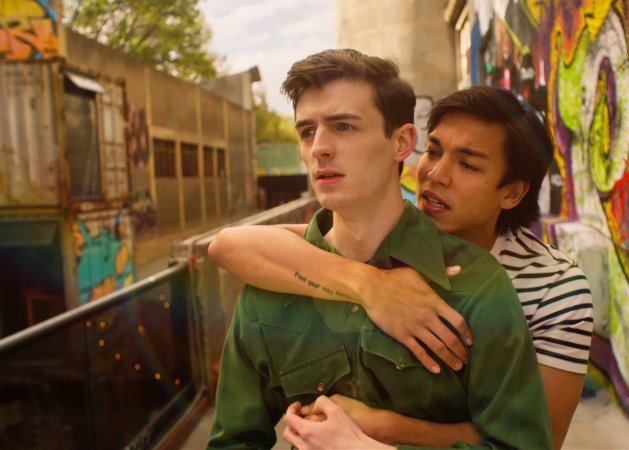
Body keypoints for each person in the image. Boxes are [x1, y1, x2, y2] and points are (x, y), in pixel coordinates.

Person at [210, 85, 593, 449]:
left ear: (512, 192)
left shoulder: (555, 288)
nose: (436, 174)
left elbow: (537, 438)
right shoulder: (378, 240)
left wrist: (381, 429)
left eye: (468, 165)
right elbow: (231, 245)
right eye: (433, 151)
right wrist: (371, 285)